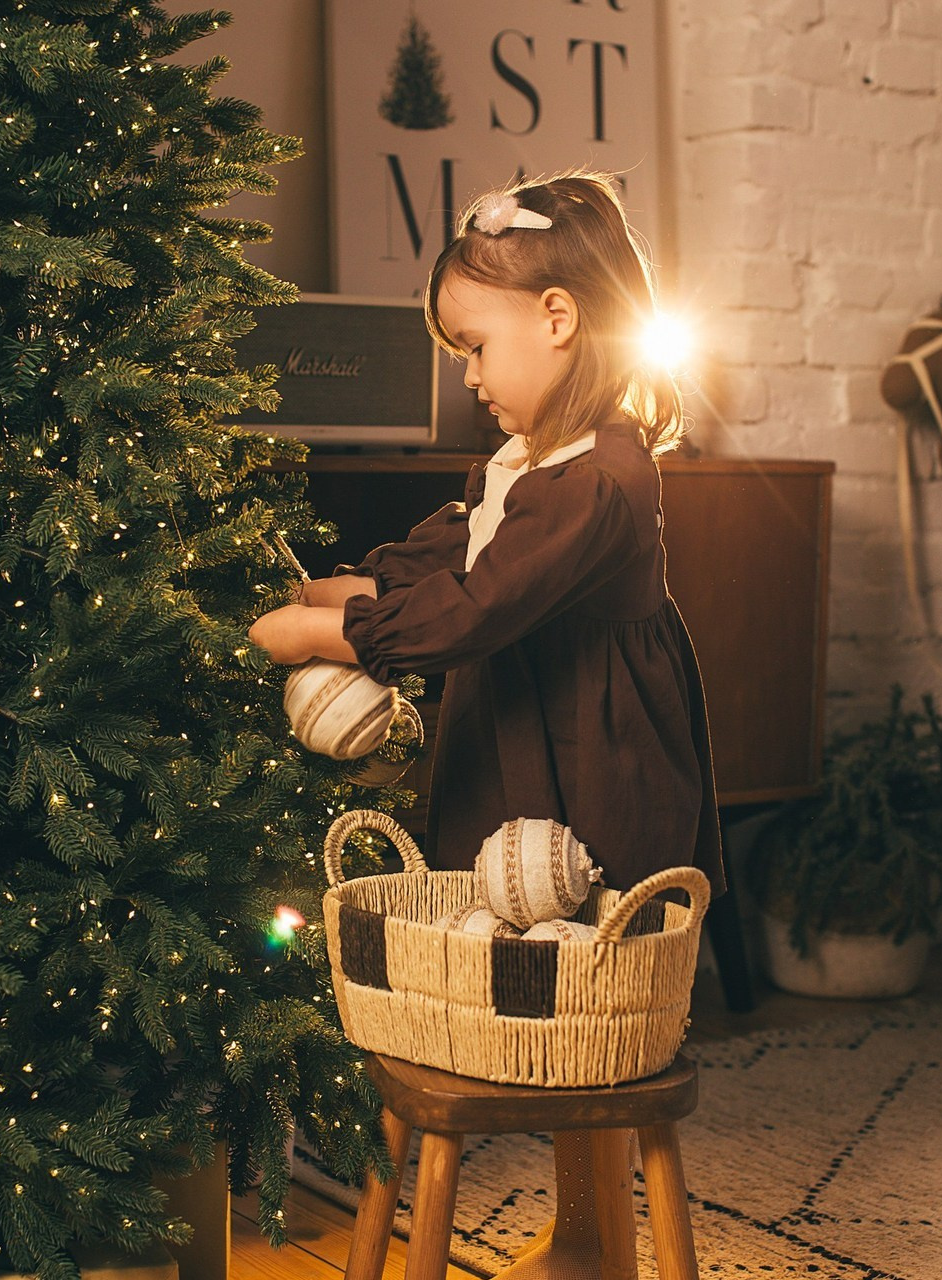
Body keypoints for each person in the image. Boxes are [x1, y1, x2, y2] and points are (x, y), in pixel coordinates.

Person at [250, 171, 722, 1278]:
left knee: (578, 979)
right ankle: (585, 1232)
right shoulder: (525, 463)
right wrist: (344, 585)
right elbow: (451, 554)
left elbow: (476, 605)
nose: (466, 375)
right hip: (523, 737)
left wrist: (326, 637)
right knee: (533, 967)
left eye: (472, 345)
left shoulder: (603, 476)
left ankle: (594, 1234)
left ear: (556, 319)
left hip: (589, 755)